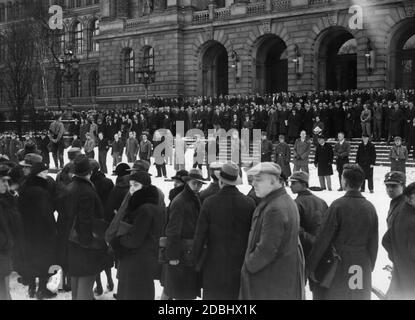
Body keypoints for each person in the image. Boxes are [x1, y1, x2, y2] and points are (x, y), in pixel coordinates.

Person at [307, 164, 378, 300]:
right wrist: (369, 264)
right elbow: (373, 242)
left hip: (339, 262)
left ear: (344, 181)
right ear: (361, 182)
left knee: (337, 294)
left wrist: (311, 266)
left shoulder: (338, 205)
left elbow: (323, 238)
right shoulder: (370, 208)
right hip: (362, 262)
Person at [240, 162, 304, 300]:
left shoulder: (274, 208)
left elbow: (267, 249)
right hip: (281, 279)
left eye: (259, 180)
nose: (254, 184)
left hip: (271, 282)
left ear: (273, 181)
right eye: (253, 180)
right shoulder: (285, 201)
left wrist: (249, 265)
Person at [193, 162, 255, 299]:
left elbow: (200, 235)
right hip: (239, 263)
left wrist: (195, 259)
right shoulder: (249, 203)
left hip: (213, 262)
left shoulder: (209, 202)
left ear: (220, 181)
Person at [114, 171, 163, 300]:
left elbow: (135, 239)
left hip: (136, 261)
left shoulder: (145, 209)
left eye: (136, 185)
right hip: (143, 260)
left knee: (134, 294)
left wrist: (118, 241)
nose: (131, 189)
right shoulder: (151, 204)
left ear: (145, 186)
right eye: (130, 185)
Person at [66, 155, 109, 300]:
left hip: (73, 240)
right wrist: (88, 243)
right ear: (89, 172)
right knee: (86, 278)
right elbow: (85, 220)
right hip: (84, 243)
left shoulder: (71, 186)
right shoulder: (86, 190)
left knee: (77, 277)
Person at [163, 169, 206, 300]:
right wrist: (173, 255)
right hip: (181, 253)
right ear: (187, 182)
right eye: (195, 183)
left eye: (200, 184)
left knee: (177, 289)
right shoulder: (180, 201)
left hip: (188, 252)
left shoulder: (193, 197)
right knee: (181, 291)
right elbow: (173, 230)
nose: (198, 186)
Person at [18, 162, 58, 299]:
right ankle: (41, 289)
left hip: (27, 231)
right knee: (43, 260)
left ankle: (31, 287)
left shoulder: (24, 187)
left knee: (30, 258)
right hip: (42, 233)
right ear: (39, 174)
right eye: (45, 173)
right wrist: (53, 231)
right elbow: (47, 214)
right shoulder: (42, 192)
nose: (47, 176)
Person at [289, 171, 328, 299]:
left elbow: (295, 229)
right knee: (319, 288)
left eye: (294, 183)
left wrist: (311, 240)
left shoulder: (296, 203)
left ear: (303, 184)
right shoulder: (321, 201)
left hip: (304, 251)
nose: (291, 186)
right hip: (322, 251)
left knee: (299, 288)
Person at [382, 178, 415, 299]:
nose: (390, 189)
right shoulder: (412, 221)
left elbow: (386, 240)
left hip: (401, 269)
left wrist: (396, 257)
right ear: (408, 198)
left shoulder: (401, 212)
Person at [0, 164, 23, 300]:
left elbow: (15, 221)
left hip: (4, 254)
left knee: (5, 291)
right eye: (2, 181)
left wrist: (9, 197)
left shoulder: (4, 200)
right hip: (2, 252)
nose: (6, 184)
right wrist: (5, 242)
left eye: (6, 181)